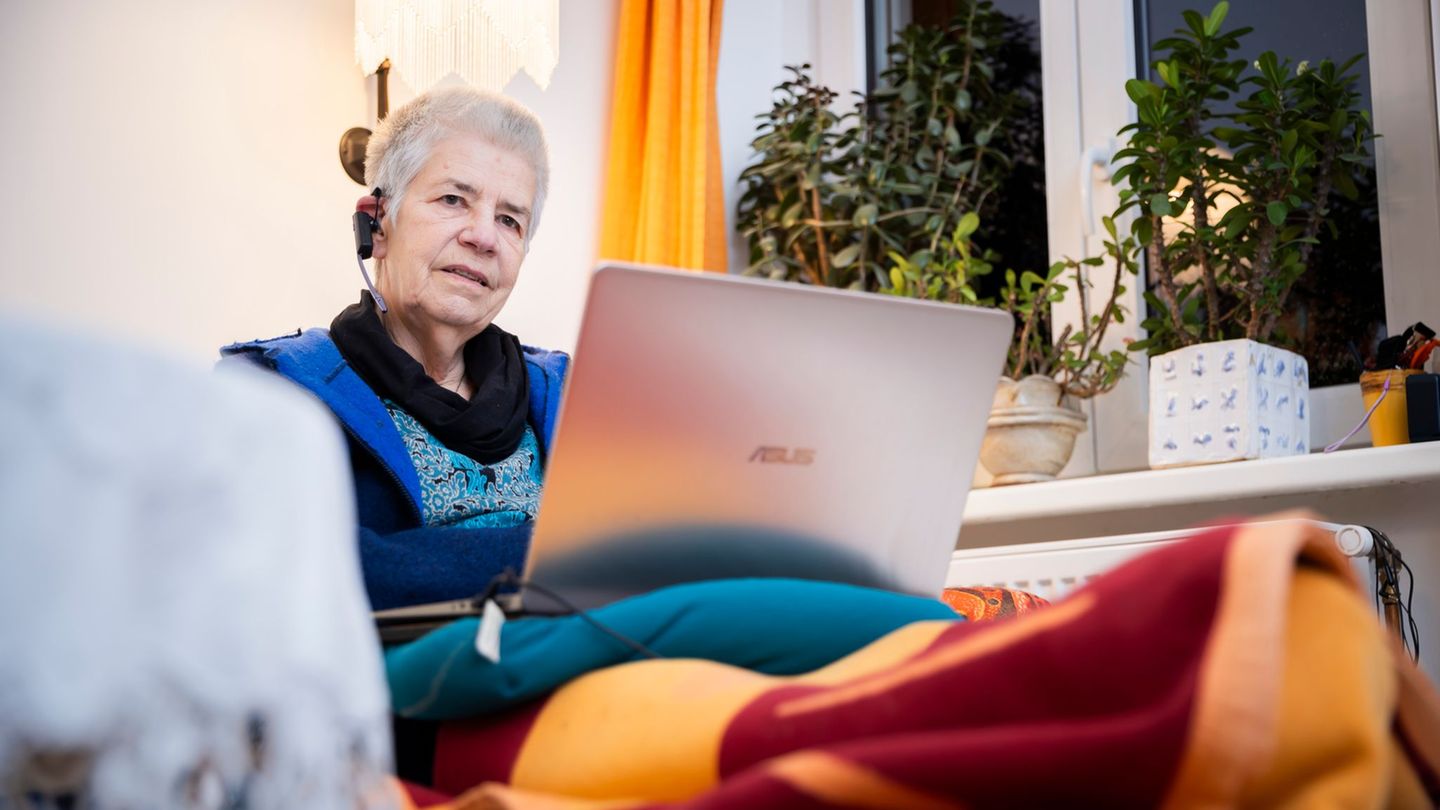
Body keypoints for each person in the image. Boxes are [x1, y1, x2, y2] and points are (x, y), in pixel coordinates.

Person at [222, 86, 567, 611]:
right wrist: (567, 555)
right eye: (454, 199)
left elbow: (657, 535)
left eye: (509, 219)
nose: (484, 237)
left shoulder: (570, 390)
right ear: (377, 224)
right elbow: (314, 570)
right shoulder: (274, 389)